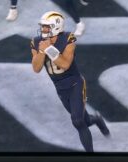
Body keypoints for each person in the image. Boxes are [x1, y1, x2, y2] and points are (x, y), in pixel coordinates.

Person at [30, 11, 110, 152]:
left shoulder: (68, 38)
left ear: (56, 27)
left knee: (77, 121)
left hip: (75, 84)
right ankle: (96, 119)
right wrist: (42, 52)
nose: (43, 30)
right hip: (60, 88)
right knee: (84, 121)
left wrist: (48, 49)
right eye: (42, 26)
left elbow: (65, 64)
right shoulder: (36, 42)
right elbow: (36, 68)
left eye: (46, 27)